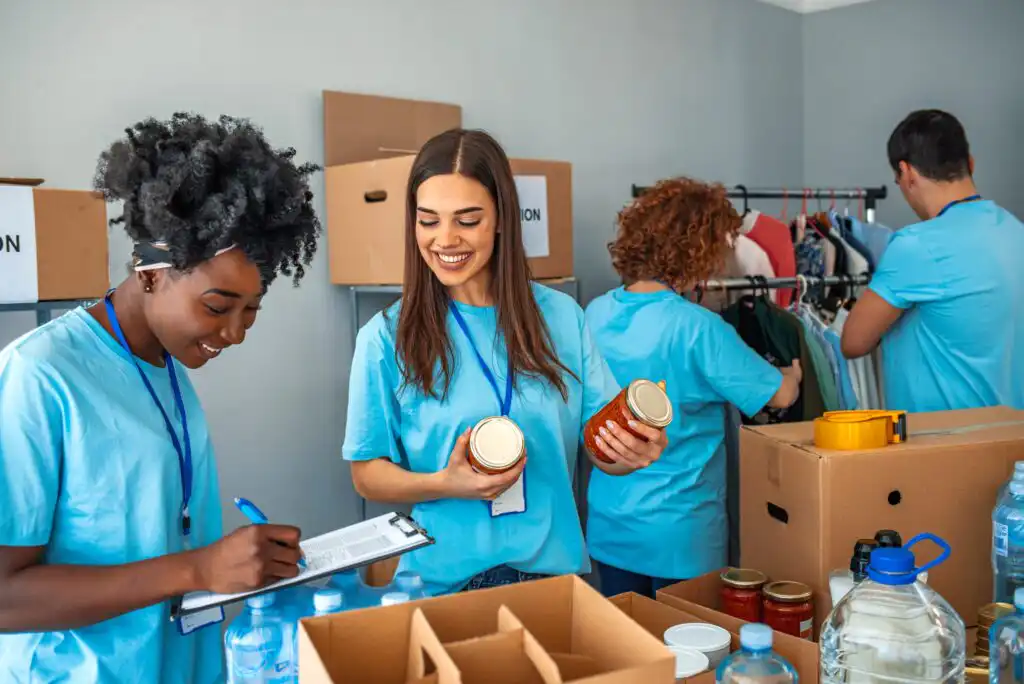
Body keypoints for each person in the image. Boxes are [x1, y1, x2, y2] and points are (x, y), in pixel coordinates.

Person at [0, 113, 321, 683]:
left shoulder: (164, 366)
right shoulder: (39, 374)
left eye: (252, 311)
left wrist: (233, 562)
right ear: (150, 273)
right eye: (219, 307)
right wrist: (198, 568)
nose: (235, 333)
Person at [343, 128, 668, 596]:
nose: (444, 240)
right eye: (428, 221)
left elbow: (598, 448)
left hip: (555, 584)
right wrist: (447, 483)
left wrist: (630, 451)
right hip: (442, 587)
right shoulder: (384, 338)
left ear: (501, 219)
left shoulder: (562, 318)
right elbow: (366, 473)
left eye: (467, 220)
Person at [584, 178, 802, 598]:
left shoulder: (594, 312)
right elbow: (778, 396)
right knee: (689, 657)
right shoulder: (699, 328)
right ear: (698, 250)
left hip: (611, 526)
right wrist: (793, 373)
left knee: (630, 653)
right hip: (681, 536)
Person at [841, 109, 1024, 412]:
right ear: (971, 164)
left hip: (945, 446)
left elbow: (853, 342)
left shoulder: (916, 246)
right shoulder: (1016, 232)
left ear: (907, 172)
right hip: (1013, 442)